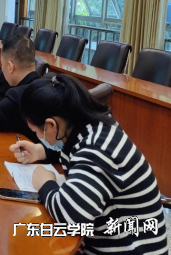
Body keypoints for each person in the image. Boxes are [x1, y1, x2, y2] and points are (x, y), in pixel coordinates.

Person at [10, 74, 168, 254]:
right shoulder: (90, 127)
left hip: (130, 248)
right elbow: (75, 152)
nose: (38, 136)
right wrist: (41, 151)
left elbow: (71, 216)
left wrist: (46, 184)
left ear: (51, 125)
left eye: (36, 131)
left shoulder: (97, 149)